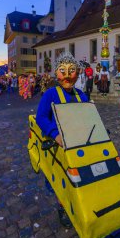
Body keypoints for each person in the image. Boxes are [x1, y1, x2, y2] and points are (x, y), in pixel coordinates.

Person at [36, 52, 88, 227]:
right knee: (61, 179)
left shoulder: (81, 94)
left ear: (78, 72)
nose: (67, 75)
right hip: (59, 144)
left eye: (71, 70)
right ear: (56, 73)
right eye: (63, 70)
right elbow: (41, 117)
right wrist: (54, 134)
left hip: (79, 142)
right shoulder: (50, 94)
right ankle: (63, 207)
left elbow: (87, 116)